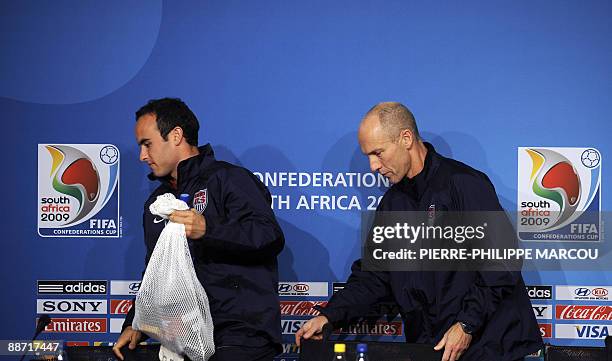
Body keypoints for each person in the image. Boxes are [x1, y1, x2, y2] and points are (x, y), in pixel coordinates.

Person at [295, 102, 543, 361]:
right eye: (368, 155)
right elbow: (375, 276)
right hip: (432, 347)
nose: (373, 166)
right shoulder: (392, 205)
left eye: (378, 153)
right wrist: (329, 316)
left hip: (488, 346)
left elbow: (501, 261)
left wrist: (467, 324)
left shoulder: (463, 183)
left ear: (406, 138)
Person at [113, 98, 285, 361]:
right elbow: (155, 273)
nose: (142, 156)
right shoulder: (157, 204)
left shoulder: (229, 179)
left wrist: (209, 229)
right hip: (184, 338)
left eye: (147, 144)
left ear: (176, 135)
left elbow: (268, 236)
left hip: (238, 336)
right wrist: (134, 324)